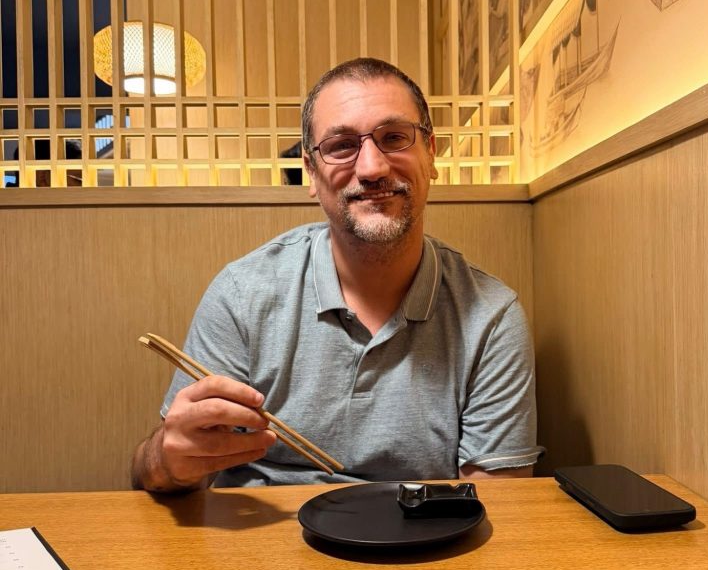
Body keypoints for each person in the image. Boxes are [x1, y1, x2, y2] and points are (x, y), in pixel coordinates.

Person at [132, 58, 540, 492]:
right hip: (261, 532)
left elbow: (497, 503)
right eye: (342, 145)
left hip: (420, 533)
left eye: (394, 137)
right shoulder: (243, 294)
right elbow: (154, 478)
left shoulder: (491, 317)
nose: (372, 168)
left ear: (431, 153)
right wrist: (167, 461)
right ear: (311, 172)